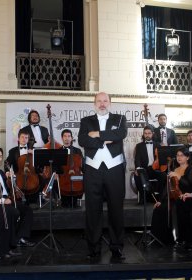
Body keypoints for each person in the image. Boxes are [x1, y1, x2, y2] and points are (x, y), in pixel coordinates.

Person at [78, 92, 127, 260]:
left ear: (110, 103)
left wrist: (97, 134)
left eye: (105, 101)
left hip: (115, 169)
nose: (102, 104)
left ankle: (117, 247)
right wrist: (103, 139)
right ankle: (93, 248)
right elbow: (82, 140)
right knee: (92, 210)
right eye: (99, 101)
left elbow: (120, 135)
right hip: (92, 170)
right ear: (94, 103)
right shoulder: (86, 121)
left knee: (116, 209)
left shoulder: (120, 119)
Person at [0, 147, 35, 247]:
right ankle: (10, 241)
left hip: (7, 199)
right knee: (14, 212)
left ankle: (20, 237)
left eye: (0, 156)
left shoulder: (1, 172)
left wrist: (12, 179)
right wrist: (2, 200)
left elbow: (7, 188)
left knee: (27, 210)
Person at [150, 147, 192, 246]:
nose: (179, 157)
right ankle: (163, 239)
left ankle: (185, 238)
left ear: (187, 157)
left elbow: (188, 184)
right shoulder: (175, 169)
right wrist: (160, 200)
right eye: (177, 155)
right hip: (176, 197)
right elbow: (168, 187)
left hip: (188, 197)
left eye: (182, 155)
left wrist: (178, 176)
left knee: (180, 206)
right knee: (160, 208)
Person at [6, 129, 43, 204]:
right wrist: (8, 171)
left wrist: (34, 154)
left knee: (42, 180)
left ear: (28, 139)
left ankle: (35, 201)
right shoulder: (12, 151)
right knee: (8, 181)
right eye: (22, 137)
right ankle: (15, 199)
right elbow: (8, 162)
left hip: (32, 175)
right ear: (18, 139)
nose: (24, 139)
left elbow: (40, 164)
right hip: (18, 175)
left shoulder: (34, 150)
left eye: (26, 138)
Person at [134, 126, 166, 202]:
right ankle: (143, 197)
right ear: (143, 134)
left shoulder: (158, 145)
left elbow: (161, 159)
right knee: (137, 175)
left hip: (155, 169)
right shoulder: (139, 146)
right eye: (145, 133)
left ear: (152, 134)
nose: (147, 135)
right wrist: (138, 168)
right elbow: (137, 159)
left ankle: (160, 197)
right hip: (144, 169)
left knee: (164, 176)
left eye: (149, 133)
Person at [58, 129, 84, 208]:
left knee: (81, 180)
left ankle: (75, 200)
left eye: (69, 136)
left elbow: (81, 165)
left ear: (72, 138)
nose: (67, 138)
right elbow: (57, 165)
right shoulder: (59, 151)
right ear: (62, 138)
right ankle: (64, 201)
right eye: (65, 136)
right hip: (64, 175)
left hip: (76, 175)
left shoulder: (78, 151)